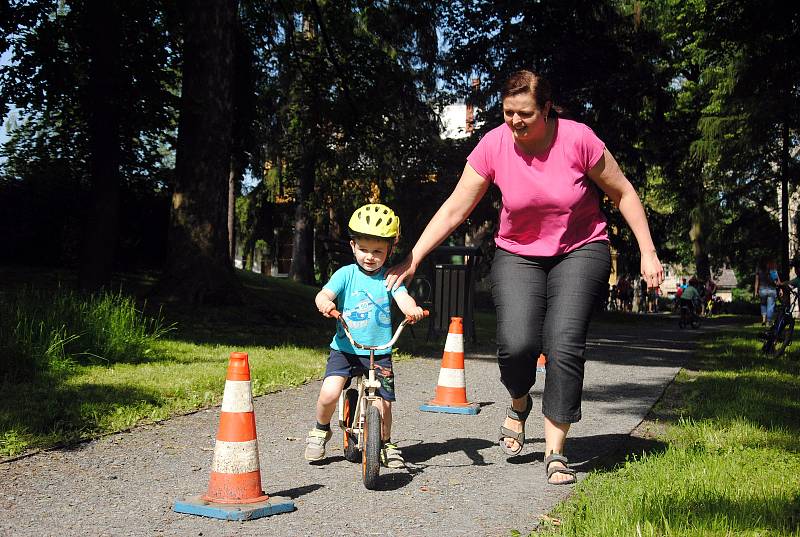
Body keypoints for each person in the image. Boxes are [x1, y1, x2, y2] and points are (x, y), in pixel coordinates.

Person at [384, 70, 664, 485]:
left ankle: (555, 452)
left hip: (581, 249)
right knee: (517, 344)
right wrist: (414, 258)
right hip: (518, 254)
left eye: (525, 115)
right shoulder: (494, 145)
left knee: (563, 342)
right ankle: (519, 404)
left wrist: (647, 250)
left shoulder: (578, 140)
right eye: (508, 112)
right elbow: (455, 208)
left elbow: (622, 192)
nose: (515, 122)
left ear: (547, 109)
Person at [306, 203, 425, 468]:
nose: (369, 256)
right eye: (363, 249)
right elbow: (324, 293)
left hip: (379, 352)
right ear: (352, 246)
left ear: (389, 251)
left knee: (384, 404)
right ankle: (320, 429)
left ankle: (386, 442)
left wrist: (412, 310)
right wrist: (324, 302)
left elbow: (403, 298)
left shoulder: (390, 278)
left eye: (378, 251)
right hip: (345, 349)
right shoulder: (346, 275)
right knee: (329, 392)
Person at [755, 256, 779, 326]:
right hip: (772, 289)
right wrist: (780, 288)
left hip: (762, 289)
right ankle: (768, 321)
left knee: (763, 304)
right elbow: (776, 280)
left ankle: (763, 320)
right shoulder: (772, 268)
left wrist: (756, 291)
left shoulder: (759, 269)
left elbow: (757, 281)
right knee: (770, 306)